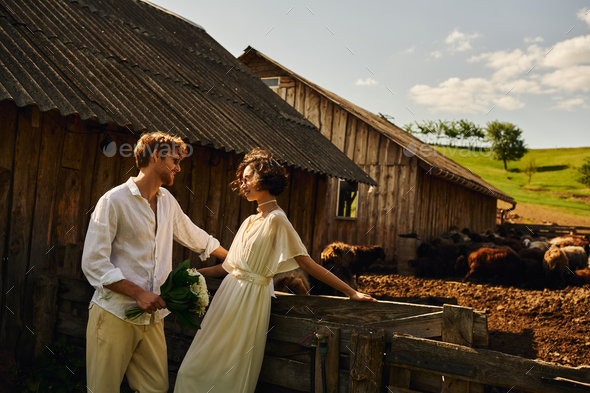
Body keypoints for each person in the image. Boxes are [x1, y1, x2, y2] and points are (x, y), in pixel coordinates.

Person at [174, 147, 376, 393]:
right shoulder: (250, 220)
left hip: (250, 301)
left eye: (247, 178)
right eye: (242, 179)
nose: (243, 184)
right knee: (195, 365)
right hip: (226, 298)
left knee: (228, 369)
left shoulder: (277, 220)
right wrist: (193, 273)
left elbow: (307, 263)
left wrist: (350, 292)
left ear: (265, 178)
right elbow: (228, 267)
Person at [82, 131, 228, 393]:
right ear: (157, 156)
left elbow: (195, 236)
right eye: (175, 160)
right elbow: (93, 262)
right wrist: (138, 293)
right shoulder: (113, 200)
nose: (178, 168)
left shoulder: (167, 202)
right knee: (102, 389)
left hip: (153, 318)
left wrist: (235, 259)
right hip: (115, 313)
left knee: (156, 389)